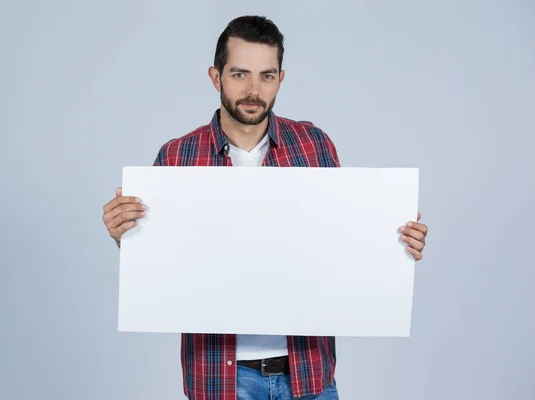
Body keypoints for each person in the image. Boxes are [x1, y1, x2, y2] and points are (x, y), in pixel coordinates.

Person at [102, 15, 428, 400]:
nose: (254, 90)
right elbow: (161, 259)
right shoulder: (177, 156)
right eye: (240, 74)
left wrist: (395, 242)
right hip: (220, 379)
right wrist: (127, 235)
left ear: (281, 79)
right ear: (215, 76)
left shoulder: (313, 145)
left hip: (307, 374)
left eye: (266, 76)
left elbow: (340, 243)